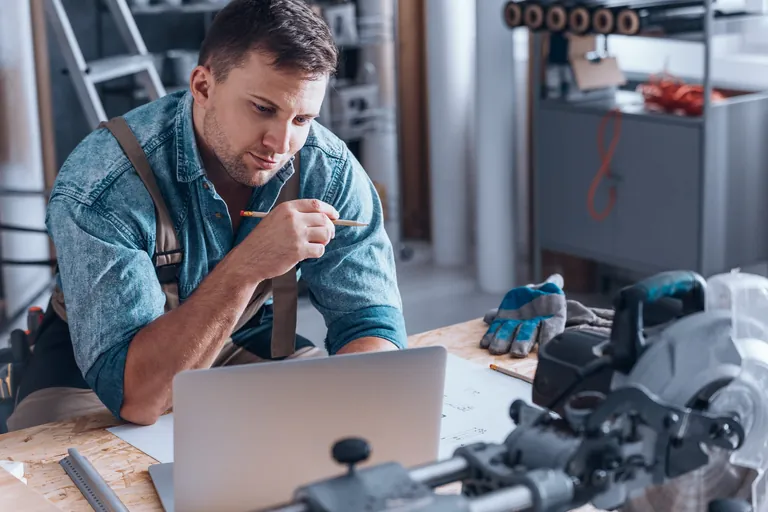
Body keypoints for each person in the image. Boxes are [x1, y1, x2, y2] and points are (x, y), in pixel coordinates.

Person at [7, 0, 406, 431]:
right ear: (202, 86)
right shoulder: (104, 182)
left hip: (238, 334)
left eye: (303, 118)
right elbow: (140, 399)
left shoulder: (325, 167)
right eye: (262, 108)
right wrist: (248, 265)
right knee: (53, 474)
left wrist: (363, 400)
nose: (281, 142)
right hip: (100, 362)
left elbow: (370, 320)